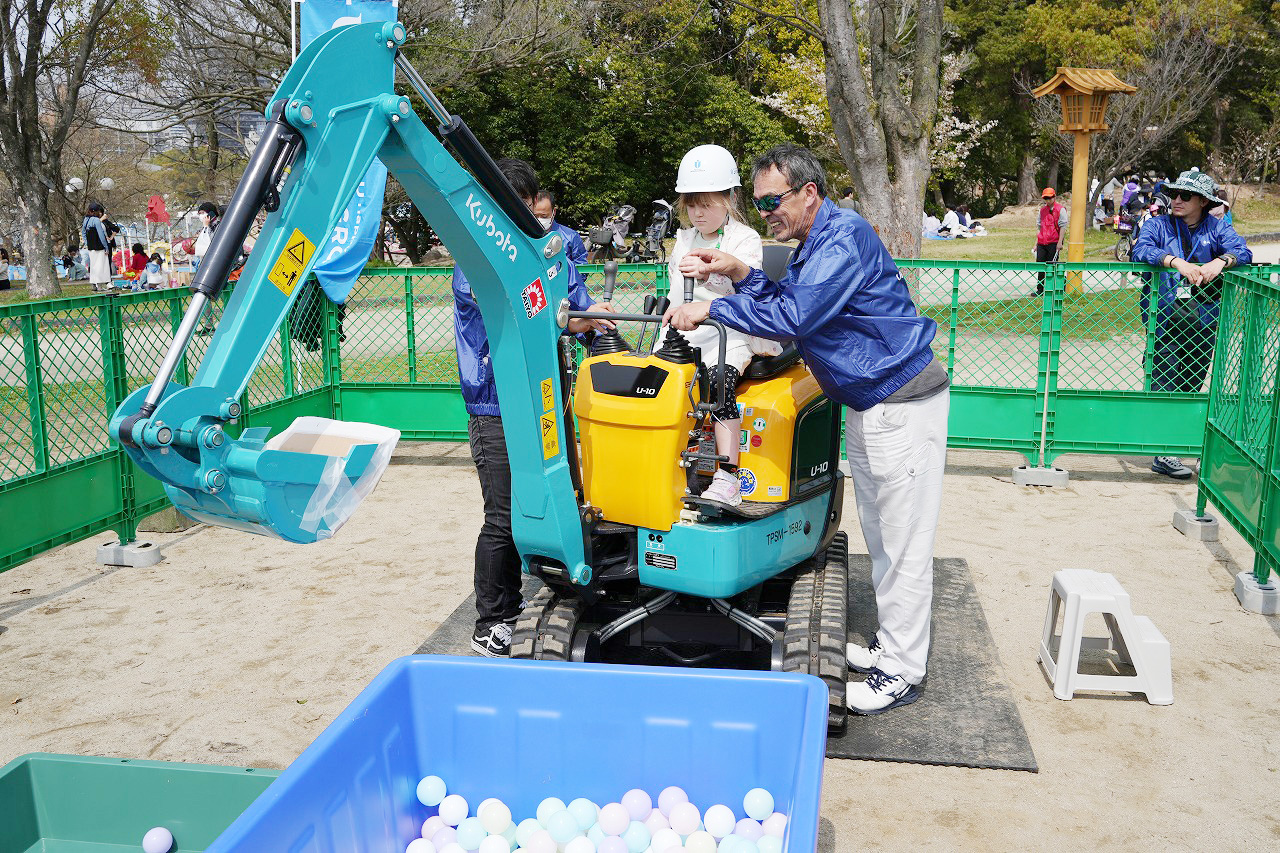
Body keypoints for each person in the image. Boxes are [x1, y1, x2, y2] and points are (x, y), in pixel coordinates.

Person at [665, 144, 950, 715]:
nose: (766, 211)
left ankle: (902, 670)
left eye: (774, 200)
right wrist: (741, 272)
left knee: (903, 541)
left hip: (898, 401)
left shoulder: (841, 239)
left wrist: (714, 310)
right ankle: (890, 647)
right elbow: (784, 300)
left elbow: (794, 319)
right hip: (871, 400)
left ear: (810, 193)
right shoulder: (812, 242)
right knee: (882, 534)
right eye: (762, 201)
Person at [457, 158, 615, 658]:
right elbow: (518, 312)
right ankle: (494, 618)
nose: (526, 215)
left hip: (548, 400)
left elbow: (577, 303)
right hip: (498, 406)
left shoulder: (551, 255)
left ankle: (566, 583)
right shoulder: (475, 257)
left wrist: (599, 328)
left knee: (565, 495)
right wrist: (573, 321)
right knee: (503, 514)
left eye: (528, 205)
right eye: (513, 205)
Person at [664, 144, 780, 506]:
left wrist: (711, 273)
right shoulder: (682, 240)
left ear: (728, 199)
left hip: (732, 333)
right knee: (657, 380)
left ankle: (728, 474)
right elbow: (675, 292)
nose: (697, 213)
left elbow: (746, 294)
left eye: (706, 204)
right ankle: (668, 463)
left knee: (718, 383)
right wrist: (671, 312)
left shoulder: (743, 239)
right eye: (691, 205)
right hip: (687, 332)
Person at [1131, 168, 1251, 480]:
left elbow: (1243, 251)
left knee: (1191, 381)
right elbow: (1140, 250)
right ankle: (1162, 449)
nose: (1177, 200)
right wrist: (1176, 262)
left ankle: (1176, 444)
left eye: (1185, 195)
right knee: (1164, 379)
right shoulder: (1158, 224)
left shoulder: (1217, 228)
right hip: (1164, 318)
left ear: (1202, 201)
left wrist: (1220, 262)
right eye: (1173, 194)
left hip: (1204, 319)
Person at [532, 190, 588, 268]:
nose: (539, 219)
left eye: (544, 216)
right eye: (535, 216)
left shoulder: (570, 236)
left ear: (553, 212)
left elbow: (582, 268)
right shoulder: (524, 235)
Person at [1034, 188, 1067, 295]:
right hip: (1042, 242)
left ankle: (1058, 285)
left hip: (1054, 242)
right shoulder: (1042, 210)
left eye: (1049, 198)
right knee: (1041, 266)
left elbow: (1063, 226)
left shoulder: (1060, 209)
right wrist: (1036, 243)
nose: (1048, 200)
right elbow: (1040, 228)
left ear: (1054, 197)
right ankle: (1040, 289)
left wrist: (1060, 242)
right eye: (1045, 198)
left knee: (1052, 265)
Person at [83, 202, 113, 292]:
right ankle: (100, 286)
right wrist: (106, 247)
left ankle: (94, 285)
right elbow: (101, 234)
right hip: (99, 246)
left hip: (91, 247)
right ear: (96, 211)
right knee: (102, 266)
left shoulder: (86, 220)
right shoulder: (96, 220)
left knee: (93, 266)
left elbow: (83, 233)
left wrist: (87, 243)